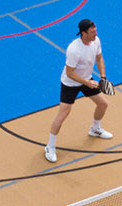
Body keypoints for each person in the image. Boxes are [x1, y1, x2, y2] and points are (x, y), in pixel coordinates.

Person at [46, 18, 112, 163]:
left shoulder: (96, 41)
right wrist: (87, 83)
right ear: (83, 33)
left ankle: (95, 129)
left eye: (95, 30)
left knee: (103, 104)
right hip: (70, 83)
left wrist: (102, 77)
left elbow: (99, 58)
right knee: (63, 114)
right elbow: (70, 73)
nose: (96, 33)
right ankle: (50, 146)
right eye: (92, 32)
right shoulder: (74, 50)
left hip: (87, 79)